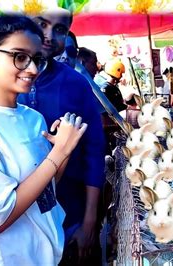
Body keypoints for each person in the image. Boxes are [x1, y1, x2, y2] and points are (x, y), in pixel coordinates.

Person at [0, 15, 87, 264]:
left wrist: (62, 151)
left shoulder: (33, 119)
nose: (32, 69)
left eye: (36, 59)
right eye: (19, 56)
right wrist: (57, 154)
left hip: (44, 254)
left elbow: (45, 191)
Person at [17, 9, 106, 263]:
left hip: (70, 214)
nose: (48, 35)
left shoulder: (76, 83)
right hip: (19, 222)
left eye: (59, 29)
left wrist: (89, 221)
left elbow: (94, 151)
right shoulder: (3, 82)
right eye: (41, 24)